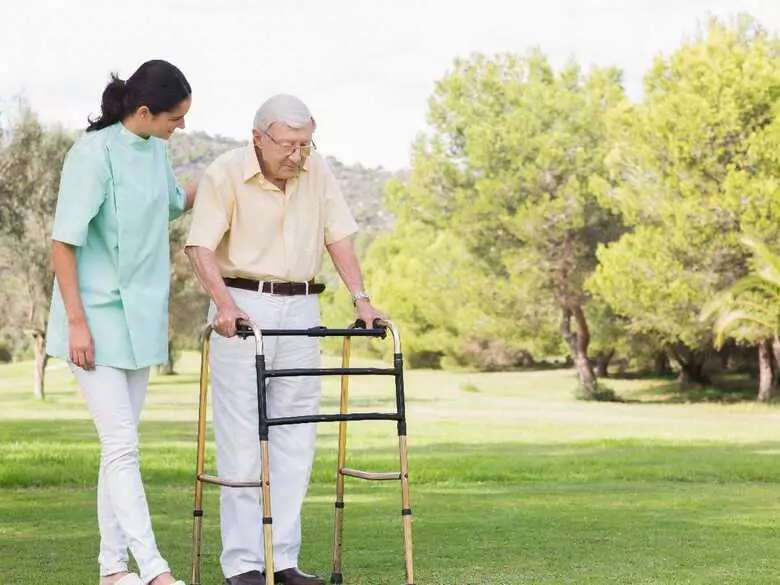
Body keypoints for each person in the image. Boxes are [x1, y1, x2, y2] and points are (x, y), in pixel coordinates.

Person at [184, 94, 380, 585]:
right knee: (242, 437)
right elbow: (199, 246)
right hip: (242, 306)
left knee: (296, 434)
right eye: (289, 145)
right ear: (258, 137)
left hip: (302, 306)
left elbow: (338, 236)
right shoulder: (225, 172)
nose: (298, 155)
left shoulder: (317, 171)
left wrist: (361, 299)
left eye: (306, 144)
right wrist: (224, 304)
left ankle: (283, 558)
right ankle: (243, 564)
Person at [45, 59, 196, 585]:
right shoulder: (92, 154)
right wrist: (76, 323)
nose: (182, 126)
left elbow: (172, 202)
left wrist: (221, 180)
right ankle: (154, 569)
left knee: (119, 449)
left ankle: (112, 570)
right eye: (176, 118)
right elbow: (63, 244)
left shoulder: (155, 151)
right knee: (122, 446)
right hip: (93, 322)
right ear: (146, 111)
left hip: (141, 322)